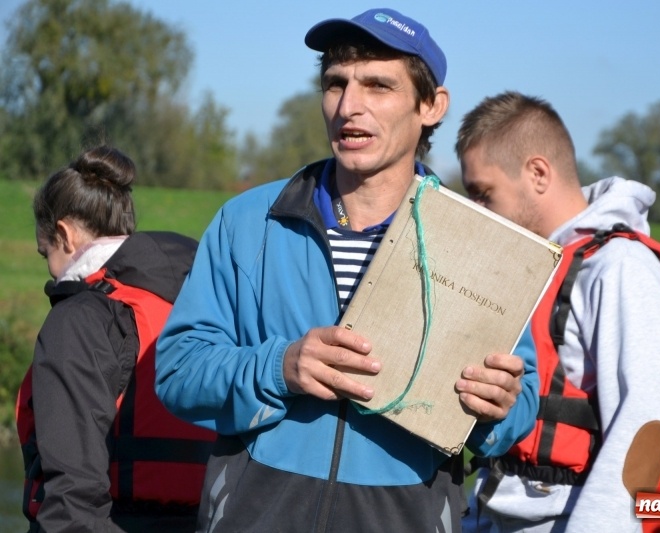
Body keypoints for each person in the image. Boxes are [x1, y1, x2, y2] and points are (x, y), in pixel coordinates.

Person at [154, 9, 540, 532]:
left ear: (431, 106)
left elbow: (517, 411)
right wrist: (279, 368)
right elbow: (178, 372)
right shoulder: (247, 222)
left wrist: (496, 409)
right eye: (336, 84)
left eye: (378, 86)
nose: (349, 107)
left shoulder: (486, 247)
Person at [455, 92, 660, 532]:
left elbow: (643, 428)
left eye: (484, 195)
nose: (479, 214)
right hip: (490, 509)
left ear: (538, 173)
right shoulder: (527, 265)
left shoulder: (622, 269)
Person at [15, 145, 216, 532]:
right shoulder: (204, 300)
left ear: (64, 235)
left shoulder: (79, 320)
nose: (51, 272)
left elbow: (73, 503)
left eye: (46, 255)